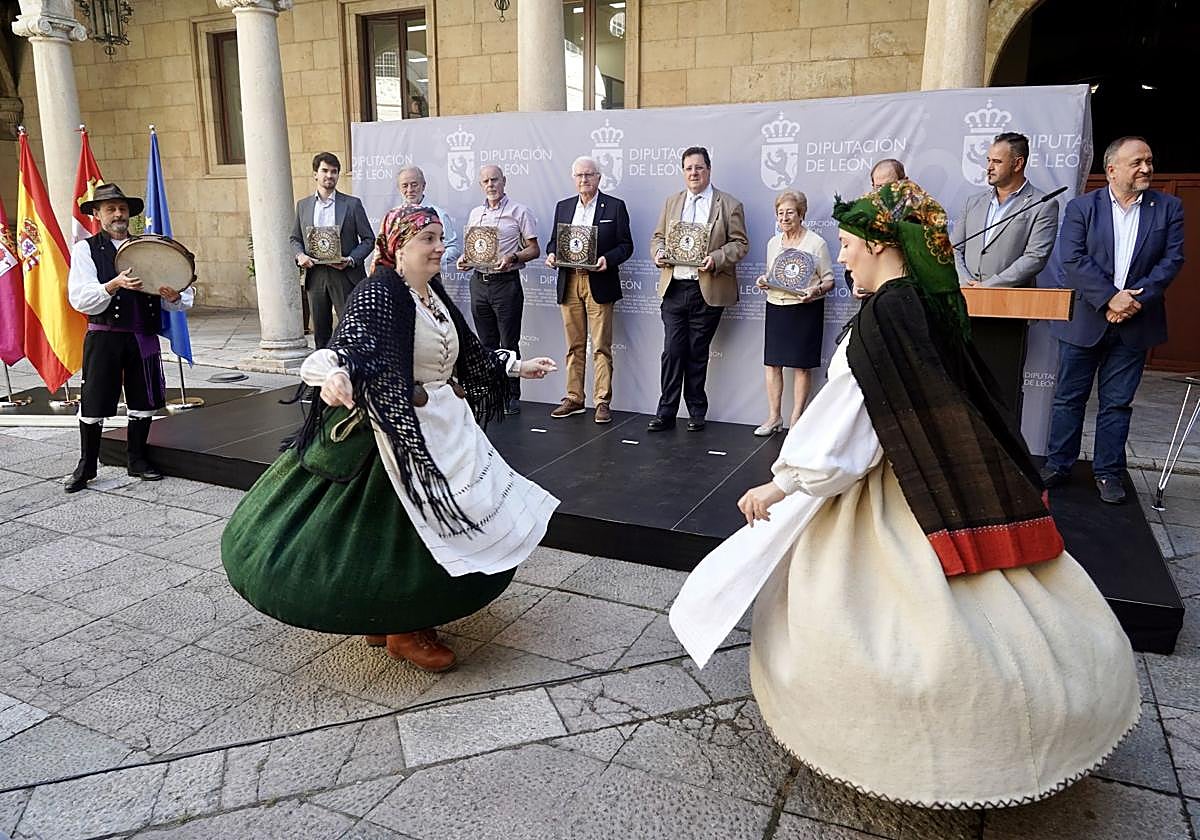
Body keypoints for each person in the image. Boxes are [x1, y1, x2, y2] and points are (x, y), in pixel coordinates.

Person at [670, 180, 1139, 808]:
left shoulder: (887, 317)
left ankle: (912, 751)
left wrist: (781, 485)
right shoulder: (920, 302)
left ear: (875, 240)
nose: (840, 256)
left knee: (877, 624)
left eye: (845, 242)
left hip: (889, 490)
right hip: (929, 477)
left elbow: (853, 426)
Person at [223, 206, 560, 673]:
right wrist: (333, 376)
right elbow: (348, 346)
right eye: (429, 239)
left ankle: (385, 618)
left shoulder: (433, 293)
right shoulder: (381, 291)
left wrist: (518, 366)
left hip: (443, 429)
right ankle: (404, 628)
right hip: (393, 430)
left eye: (442, 237)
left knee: (430, 524)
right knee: (395, 533)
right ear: (399, 246)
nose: (441, 246)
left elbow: (467, 354)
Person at [1042, 136, 1184, 505]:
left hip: (1136, 322)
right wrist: (1109, 298)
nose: (1146, 168)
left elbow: (1172, 260)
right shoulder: (1081, 207)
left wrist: (1133, 301)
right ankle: (1059, 465)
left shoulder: (1168, 207)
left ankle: (1108, 473)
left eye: (1149, 161)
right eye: (1137, 162)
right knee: (1068, 398)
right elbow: (1072, 259)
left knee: (1117, 403)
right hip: (1086, 320)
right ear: (1112, 169)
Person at [64, 183, 194, 494]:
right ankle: (87, 466)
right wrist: (114, 284)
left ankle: (137, 460)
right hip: (104, 336)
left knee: (143, 401)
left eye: (122, 208)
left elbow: (178, 295)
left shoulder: (148, 248)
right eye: (110, 209)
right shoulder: (86, 250)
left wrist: (174, 295)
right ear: (97, 215)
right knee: (94, 401)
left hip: (142, 337)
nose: (118, 214)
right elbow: (79, 298)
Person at [648, 146, 749, 432]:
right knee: (671, 351)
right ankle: (665, 412)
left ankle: (696, 412)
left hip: (707, 288)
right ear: (683, 172)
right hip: (674, 287)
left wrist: (716, 258)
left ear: (709, 170)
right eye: (689, 168)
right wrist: (658, 252)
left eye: (699, 168)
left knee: (696, 351)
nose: (694, 173)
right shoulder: (671, 202)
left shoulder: (728, 204)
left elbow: (741, 244)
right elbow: (657, 237)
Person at [544, 156, 634, 423]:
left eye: (589, 175)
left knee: (601, 346)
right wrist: (551, 255)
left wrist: (608, 260)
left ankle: (602, 401)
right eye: (579, 175)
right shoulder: (563, 207)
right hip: (569, 280)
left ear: (598, 177)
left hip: (599, 281)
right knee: (574, 345)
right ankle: (574, 398)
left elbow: (626, 246)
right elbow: (552, 243)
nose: (584, 180)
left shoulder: (615, 207)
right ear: (573, 178)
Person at [455, 165, 540, 415]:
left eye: (495, 180)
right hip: (479, 282)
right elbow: (473, 251)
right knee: (487, 344)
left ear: (504, 181)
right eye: (485, 181)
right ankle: (491, 393)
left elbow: (534, 249)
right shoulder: (475, 213)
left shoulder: (519, 211)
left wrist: (513, 256)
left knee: (509, 342)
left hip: (506, 284)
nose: (490, 184)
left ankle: (512, 395)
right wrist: (464, 260)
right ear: (481, 185)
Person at [752, 190, 833, 435]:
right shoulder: (772, 243)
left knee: (801, 366)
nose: (784, 218)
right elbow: (773, 275)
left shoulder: (816, 243)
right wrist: (764, 280)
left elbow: (830, 281)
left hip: (805, 309)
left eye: (790, 212)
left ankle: (796, 420)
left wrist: (815, 290)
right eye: (780, 213)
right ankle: (774, 417)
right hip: (776, 307)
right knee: (772, 364)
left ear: (801, 214)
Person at [289, 152, 375, 350]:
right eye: (325, 171)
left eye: (334, 172)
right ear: (315, 175)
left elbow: (369, 239)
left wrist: (351, 259)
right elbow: (295, 238)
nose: (329, 175)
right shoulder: (303, 206)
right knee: (321, 332)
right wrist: (300, 255)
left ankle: (351, 372)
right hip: (316, 275)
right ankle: (323, 374)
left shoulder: (352, 205)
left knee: (351, 327)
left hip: (344, 274)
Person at [955, 132, 1059, 288]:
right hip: (966, 298)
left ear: (1017, 164)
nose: (989, 167)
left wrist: (990, 286)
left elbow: (1035, 257)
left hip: (1010, 303)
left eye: (997, 162)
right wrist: (965, 282)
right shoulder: (973, 203)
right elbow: (954, 248)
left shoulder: (1043, 204)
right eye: (988, 160)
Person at [845, 159, 907, 298]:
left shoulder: (923, 216)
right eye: (878, 187)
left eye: (890, 186)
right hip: (873, 302)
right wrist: (855, 283)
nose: (884, 192)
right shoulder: (863, 217)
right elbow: (851, 261)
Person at [397, 165, 461, 272]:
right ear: (399, 189)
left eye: (414, 184)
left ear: (423, 186)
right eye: (405, 185)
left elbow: (453, 248)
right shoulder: (394, 218)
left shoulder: (439, 215)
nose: (410, 190)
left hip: (430, 278)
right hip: (401, 279)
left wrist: (433, 259)